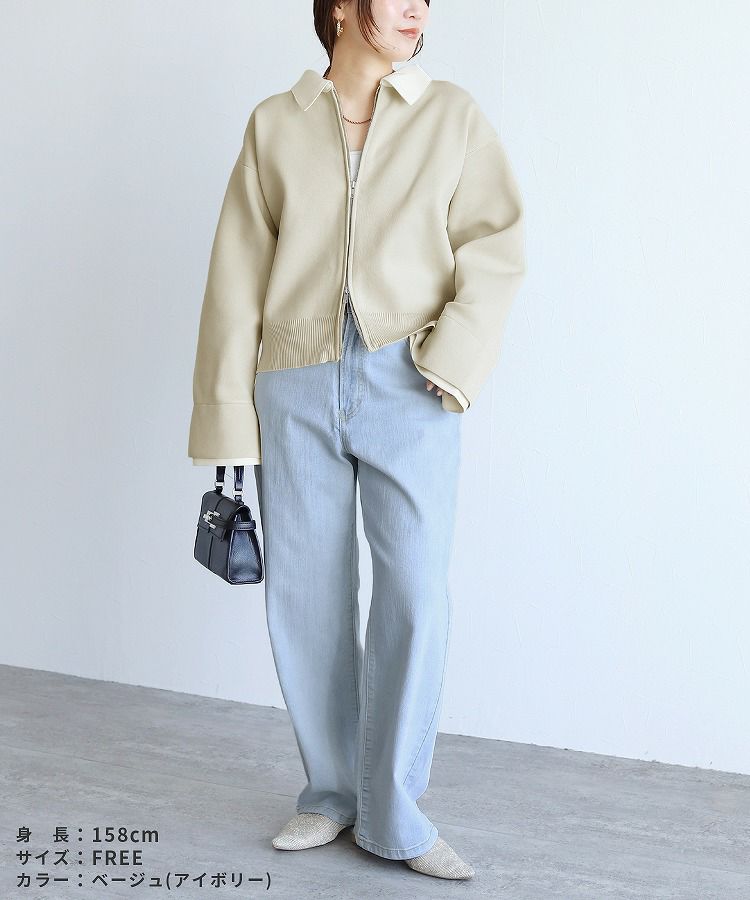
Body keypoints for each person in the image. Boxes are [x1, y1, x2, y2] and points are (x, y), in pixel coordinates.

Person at [188, 0, 526, 882]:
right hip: (294, 381)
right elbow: (235, 278)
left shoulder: (450, 116)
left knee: (415, 591)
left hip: (411, 381)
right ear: (339, 7)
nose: (418, 8)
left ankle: (396, 811)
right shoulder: (275, 124)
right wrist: (228, 416)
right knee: (307, 597)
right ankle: (331, 793)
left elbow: (496, 246)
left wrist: (453, 361)